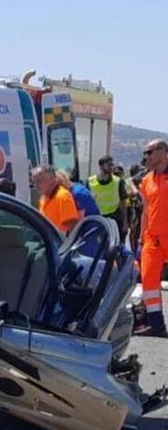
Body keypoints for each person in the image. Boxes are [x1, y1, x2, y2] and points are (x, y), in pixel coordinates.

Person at [135, 140, 168, 336]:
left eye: (149, 152)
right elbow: (146, 210)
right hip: (152, 239)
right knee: (148, 281)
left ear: (164, 152)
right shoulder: (146, 180)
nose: (146, 156)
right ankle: (156, 324)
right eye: (145, 153)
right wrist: (141, 236)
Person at [32, 164, 79, 234]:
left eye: (39, 181)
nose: (36, 185)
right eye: (34, 182)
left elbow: (73, 227)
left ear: (53, 179)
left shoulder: (62, 196)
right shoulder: (44, 197)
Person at [88, 155, 128, 237]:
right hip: (98, 219)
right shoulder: (90, 182)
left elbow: (123, 203)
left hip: (114, 219)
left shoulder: (118, 182)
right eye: (109, 165)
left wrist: (125, 222)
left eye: (112, 165)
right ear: (101, 166)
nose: (111, 167)